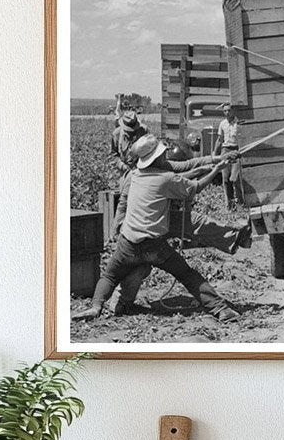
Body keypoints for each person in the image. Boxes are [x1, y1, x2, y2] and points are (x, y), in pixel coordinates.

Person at [72, 134, 241, 323]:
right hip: (155, 246)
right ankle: (220, 309)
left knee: (110, 275)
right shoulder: (166, 178)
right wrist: (216, 169)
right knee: (186, 274)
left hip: (128, 244)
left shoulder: (134, 175)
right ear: (158, 157)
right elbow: (194, 187)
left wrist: (206, 166)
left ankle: (95, 307)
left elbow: (183, 172)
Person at [213, 103, 245, 210]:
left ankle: (241, 203)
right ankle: (230, 206)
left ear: (233, 111)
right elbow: (219, 140)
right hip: (225, 151)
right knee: (226, 179)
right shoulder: (222, 124)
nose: (226, 113)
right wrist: (214, 153)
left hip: (236, 150)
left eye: (228, 110)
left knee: (235, 178)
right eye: (224, 111)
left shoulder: (239, 123)